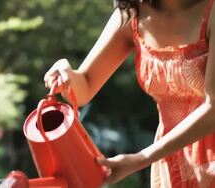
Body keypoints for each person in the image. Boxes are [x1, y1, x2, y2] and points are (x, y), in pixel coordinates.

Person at [44, 0, 215, 187]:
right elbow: (84, 87)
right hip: (170, 160)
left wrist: (141, 158)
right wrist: (66, 74)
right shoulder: (132, 14)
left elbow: (212, 110)